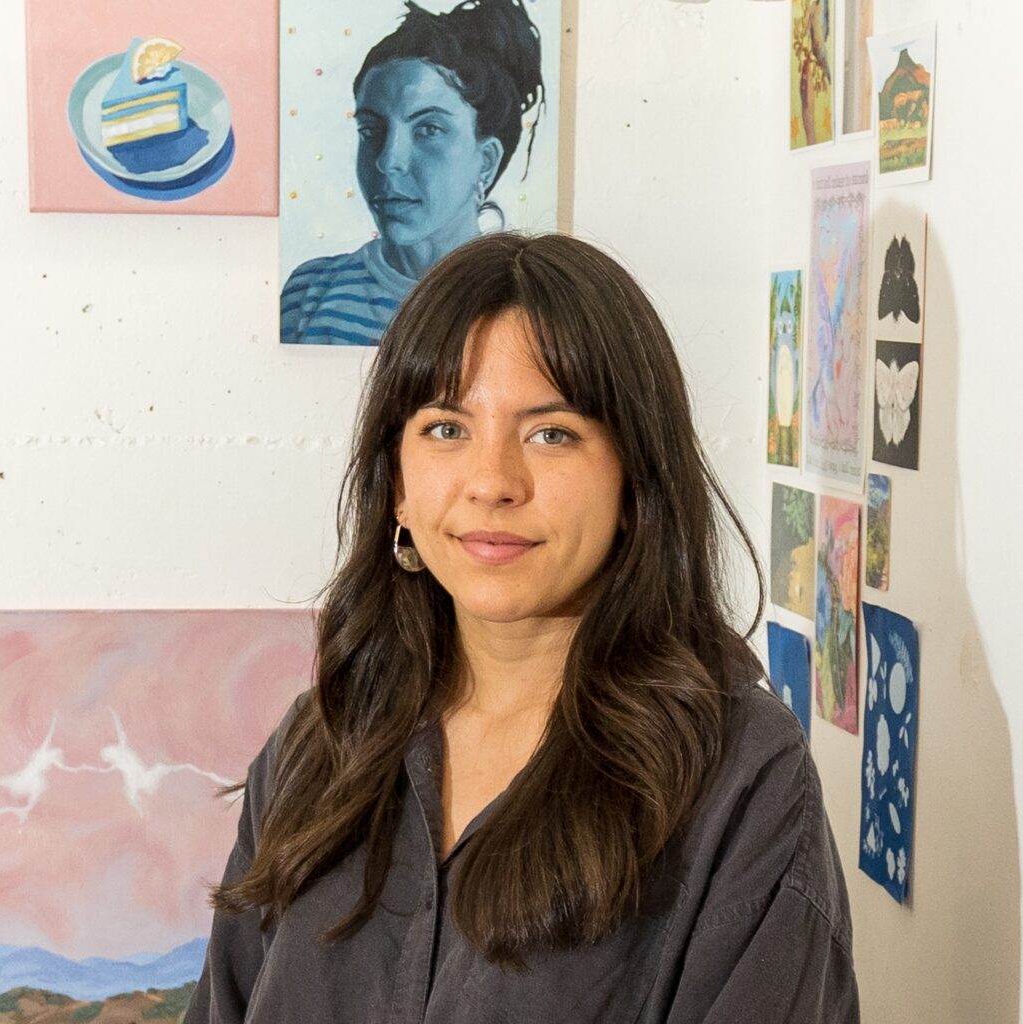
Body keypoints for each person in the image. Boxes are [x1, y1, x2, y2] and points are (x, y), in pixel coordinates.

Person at [187, 233, 859, 1023]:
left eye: (552, 433)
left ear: (634, 479)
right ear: (396, 484)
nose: (493, 482)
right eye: (446, 428)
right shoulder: (323, 740)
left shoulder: (740, 778)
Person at [280, 0, 544, 346]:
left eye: (428, 130)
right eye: (371, 131)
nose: (387, 161)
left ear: (486, 160)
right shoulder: (309, 291)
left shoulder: (523, 305)